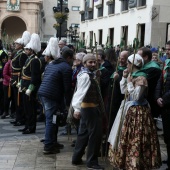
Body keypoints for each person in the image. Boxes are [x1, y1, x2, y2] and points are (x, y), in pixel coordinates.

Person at [108, 54, 161, 170]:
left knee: (136, 136)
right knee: (126, 136)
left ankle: (137, 161)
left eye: (128, 63)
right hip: (129, 109)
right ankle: (126, 160)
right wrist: (124, 78)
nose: (126, 65)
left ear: (133, 64)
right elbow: (124, 91)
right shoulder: (132, 75)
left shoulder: (141, 78)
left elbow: (136, 96)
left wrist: (129, 82)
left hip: (138, 111)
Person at [38, 38, 73, 154]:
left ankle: (53, 141)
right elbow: (67, 88)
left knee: (54, 119)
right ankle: (48, 145)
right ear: (69, 58)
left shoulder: (52, 64)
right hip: (51, 96)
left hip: (44, 94)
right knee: (50, 120)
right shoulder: (66, 67)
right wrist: (68, 103)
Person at [72, 53, 105, 170]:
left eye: (94, 62)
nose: (93, 64)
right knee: (95, 135)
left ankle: (76, 158)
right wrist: (76, 108)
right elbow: (79, 93)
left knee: (83, 134)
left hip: (88, 108)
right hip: (89, 108)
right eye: (90, 62)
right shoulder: (85, 76)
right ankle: (91, 161)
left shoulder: (88, 74)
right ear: (84, 63)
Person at [18, 33, 42, 134]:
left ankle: (31, 127)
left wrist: (30, 88)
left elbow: (35, 76)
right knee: (26, 107)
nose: (25, 50)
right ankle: (27, 125)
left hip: (29, 87)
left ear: (31, 50)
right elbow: (24, 72)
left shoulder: (35, 60)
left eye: (27, 49)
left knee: (30, 108)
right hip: (24, 85)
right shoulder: (30, 59)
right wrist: (20, 83)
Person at [10, 31, 31, 126]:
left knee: (19, 100)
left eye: (17, 43)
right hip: (14, 77)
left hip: (18, 77)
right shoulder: (17, 53)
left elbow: (23, 68)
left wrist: (20, 79)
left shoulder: (22, 54)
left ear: (21, 45)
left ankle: (20, 118)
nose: (15, 45)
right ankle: (17, 117)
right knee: (15, 99)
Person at [155, 46, 170, 170]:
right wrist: (157, 97)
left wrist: (164, 99)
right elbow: (160, 82)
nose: (167, 52)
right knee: (167, 135)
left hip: (168, 102)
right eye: (167, 49)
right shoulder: (166, 63)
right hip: (164, 105)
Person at [138, 47, 161, 121]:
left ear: (145, 57)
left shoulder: (154, 68)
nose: (137, 59)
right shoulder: (143, 67)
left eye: (139, 56)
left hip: (150, 100)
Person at [108, 51, 128, 132]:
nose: (120, 60)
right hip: (111, 98)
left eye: (123, 58)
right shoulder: (115, 67)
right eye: (119, 58)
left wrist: (118, 79)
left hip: (120, 98)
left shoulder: (127, 70)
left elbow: (124, 86)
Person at [0, 40, 8, 116]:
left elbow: (4, 66)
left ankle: (2, 110)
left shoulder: (3, 53)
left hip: (0, 76)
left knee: (1, 95)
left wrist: (2, 77)